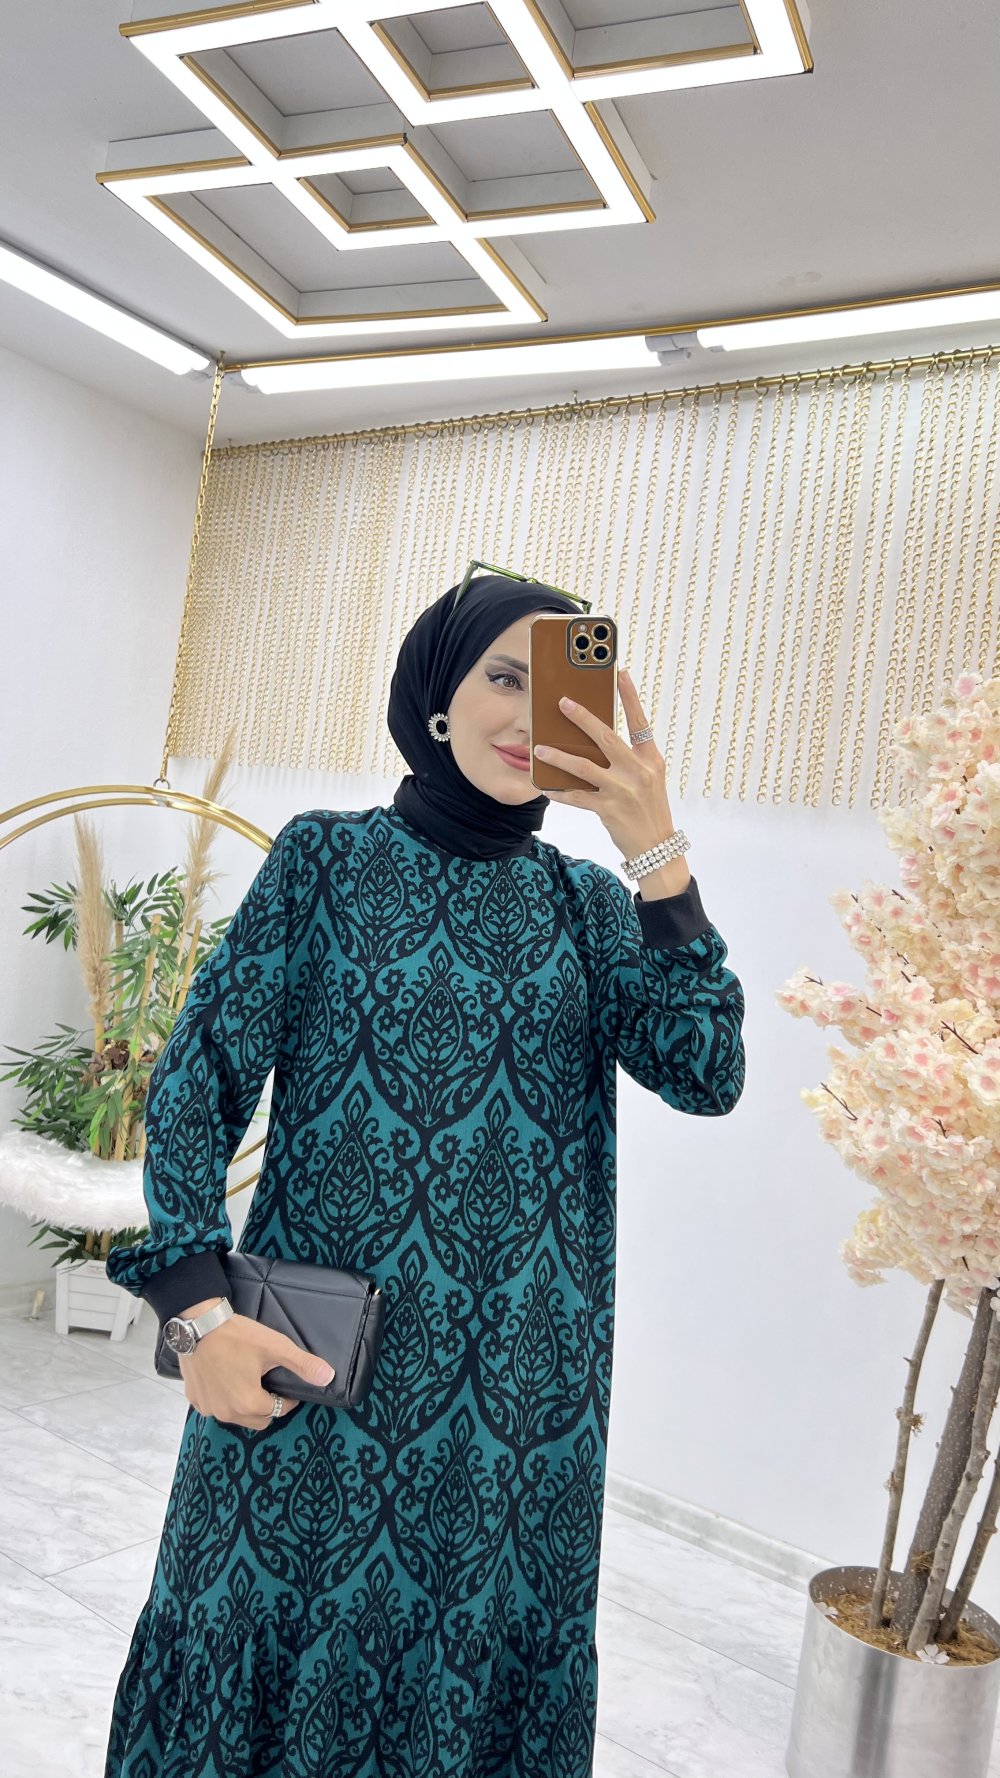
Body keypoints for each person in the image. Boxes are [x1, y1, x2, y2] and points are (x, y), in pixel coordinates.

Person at [102, 571, 746, 1777]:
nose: (529, 713)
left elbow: (706, 1071)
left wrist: (655, 852)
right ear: (437, 697)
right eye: (503, 675)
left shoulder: (588, 905)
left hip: (512, 1417)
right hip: (315, 1379)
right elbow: (197, 1084)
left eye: (559, 687)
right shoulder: (326, 861)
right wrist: (195, 1314)